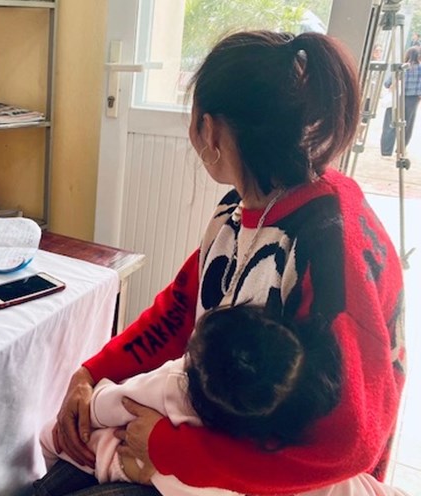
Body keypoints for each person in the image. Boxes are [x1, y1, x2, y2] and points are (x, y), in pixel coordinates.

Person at [39, 30, 405, 495]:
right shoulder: (240, 208)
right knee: (59, 475)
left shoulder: (328, 248)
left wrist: (170, 449)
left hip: (285, 474)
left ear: (207, 129)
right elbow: (182, 306)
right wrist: (91, 373)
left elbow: (350, 445)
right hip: (228, 442)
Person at [38, 306, 408, 496]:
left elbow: (109, 404)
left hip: (106, 454)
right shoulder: (286, 412)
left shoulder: (175, 385)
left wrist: (151, 466)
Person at [380, 46, 421, 156]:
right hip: (412, 100)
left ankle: (386, 151)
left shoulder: (400, 67)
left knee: (390, 123)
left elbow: (387, 83)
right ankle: (401, 149)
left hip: (396, 98)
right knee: (407, 125)